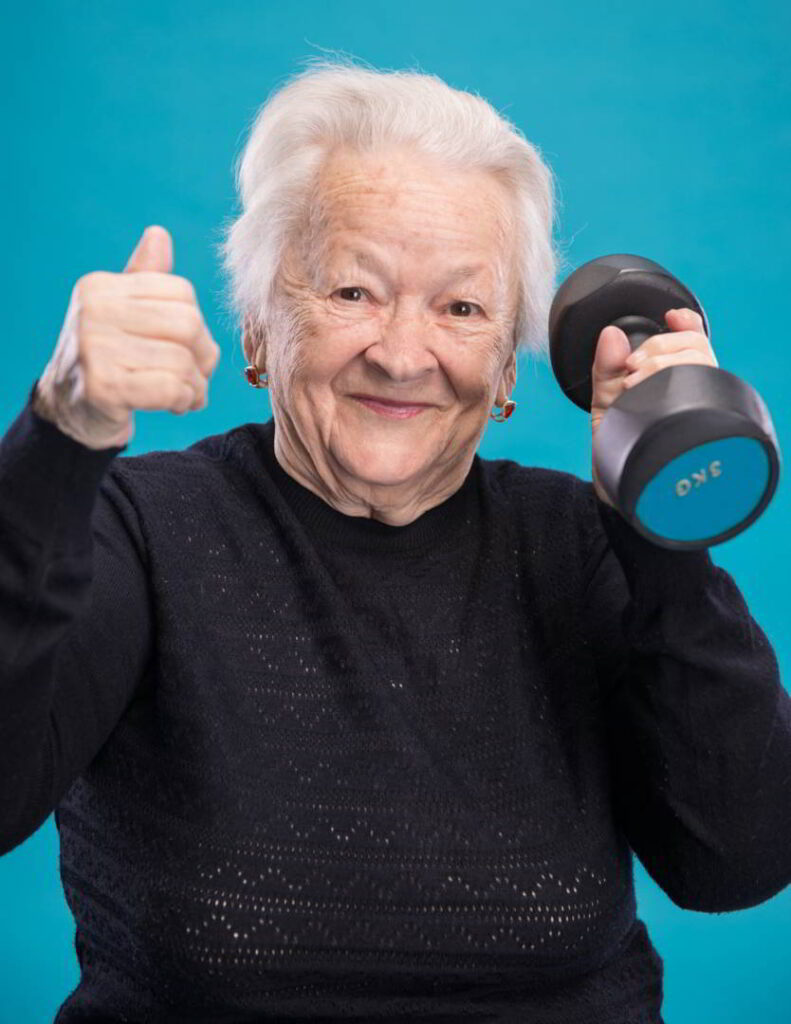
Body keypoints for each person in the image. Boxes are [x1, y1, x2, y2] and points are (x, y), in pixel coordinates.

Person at [1, 59, 789, 1023]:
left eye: (460, 308)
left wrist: (659, 524)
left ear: (507, 367)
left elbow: (735, 863)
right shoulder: (136, 526)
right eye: (351, 293)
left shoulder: (584, 546)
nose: (402, 354)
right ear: (256, 328)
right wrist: (60, 438)